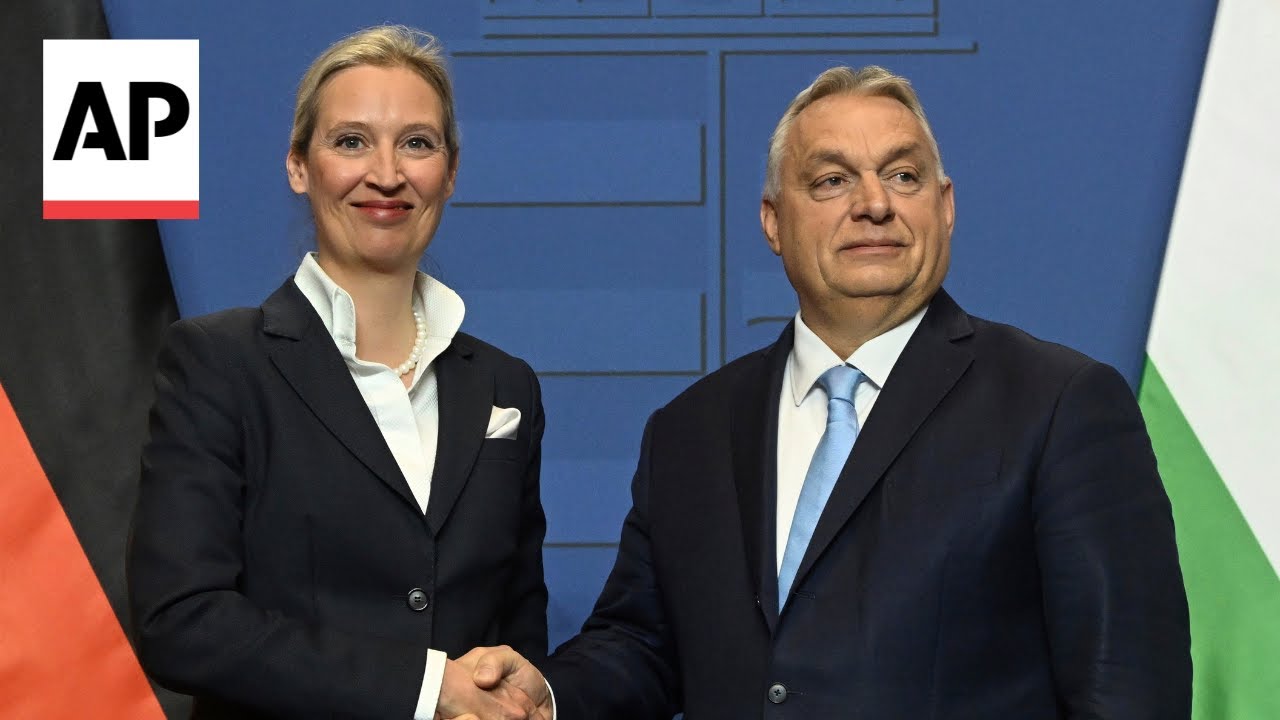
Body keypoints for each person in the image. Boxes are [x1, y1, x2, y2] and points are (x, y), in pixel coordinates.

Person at [460, 65, 1191, 718]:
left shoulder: (1059, 404)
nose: (874, 203)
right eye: (832, 180)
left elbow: (1127, 692)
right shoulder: (691, 430)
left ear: (945, 206)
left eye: (903, 176)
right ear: (774, 222)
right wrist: (546, 699)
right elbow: (644, 647)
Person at [127, 25, 547, 720]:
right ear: (299, 165)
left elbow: (517, 634)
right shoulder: (220, 363)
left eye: (417, 142)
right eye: (351, 141)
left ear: (451, 170)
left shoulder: (507, 388)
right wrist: (423, 687)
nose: (387, 173)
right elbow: (182, 621)